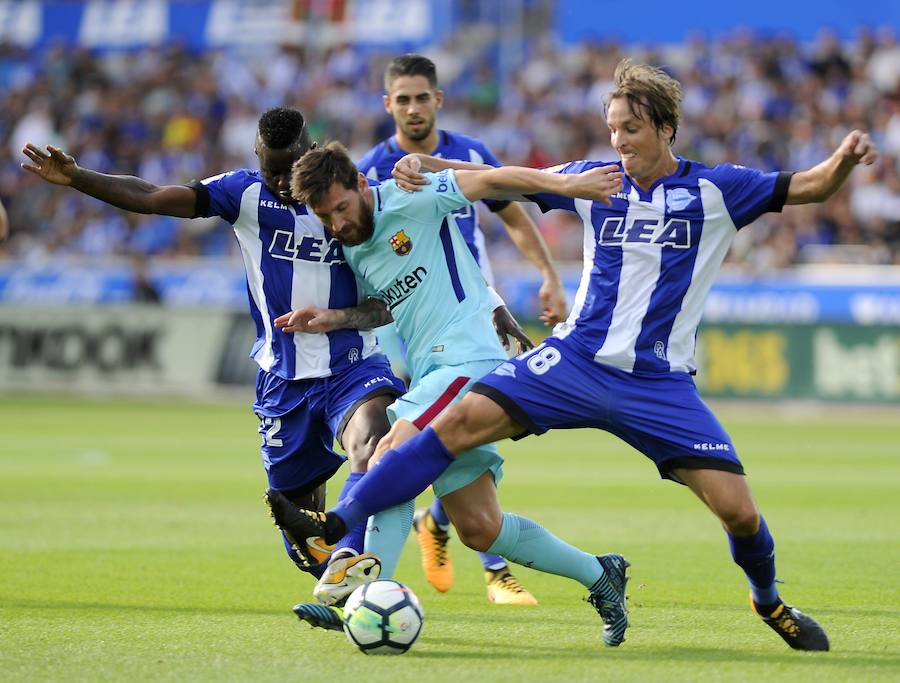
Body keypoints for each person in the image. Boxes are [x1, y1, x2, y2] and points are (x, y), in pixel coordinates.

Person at [266, 60, 879, 651]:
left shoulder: (717, 189)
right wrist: (426, 161)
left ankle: (769, 601)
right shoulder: (596, 180)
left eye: (630, 130)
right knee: (451, 439)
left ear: (665, 129)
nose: (618, 141)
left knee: (739, 514)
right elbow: (510, 174)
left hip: (657, 382)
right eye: (612, 128)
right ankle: (340, 529)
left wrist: (842, 162)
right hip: (576, 360)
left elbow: (810, 186)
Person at [19, 107, 408, 624]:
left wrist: (339, 318)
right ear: (256, 159)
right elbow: (154, 197)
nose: (279, 181)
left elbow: (394, 296)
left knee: (373, 438)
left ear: (308, 155)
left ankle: (347, 558)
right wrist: (77, 177)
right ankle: (330, 562)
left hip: (352, 364)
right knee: (297, 526)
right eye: (270, 169)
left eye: (287, 168)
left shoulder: (350, 200)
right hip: (282, 379)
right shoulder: (243, 193)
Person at [269, 140, 634, 647]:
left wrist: (566, 185)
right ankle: (600, 573)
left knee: (389, 453)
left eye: (340, 210)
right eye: (326, 218)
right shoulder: (353, 244)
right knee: (480, 527)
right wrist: (334, 319)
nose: (337, 225)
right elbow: (385, 307)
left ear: (358, 185)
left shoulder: (413, 194)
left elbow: (495, 179)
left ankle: (358, 590)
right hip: (433, 375)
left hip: (469, 360)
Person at [356, 53, 568, 605]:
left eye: (422, 97)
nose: (413, 107)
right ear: (388, 105)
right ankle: (489, 564)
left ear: (438, 100)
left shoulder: (470, 154)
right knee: (419, 435)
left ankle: (425, 535)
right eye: (402, 99)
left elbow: (514, 216)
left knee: (461, 429)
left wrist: (548, 275)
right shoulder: (368, 173)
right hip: (403, 323)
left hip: (474, 313)